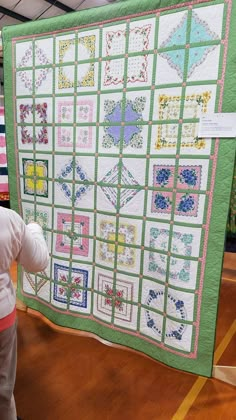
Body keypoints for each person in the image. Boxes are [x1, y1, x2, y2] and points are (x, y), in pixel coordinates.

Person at [0, 207, 49, 420]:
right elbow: (38, 261)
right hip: (1, 317)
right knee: (2, 386)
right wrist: (35, 230)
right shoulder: (7, 219)